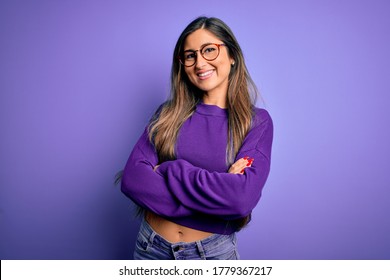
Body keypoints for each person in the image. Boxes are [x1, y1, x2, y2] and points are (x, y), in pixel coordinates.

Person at [120, 16, 273, 260]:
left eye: (209, 50)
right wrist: (219, 189)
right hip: (151, 249)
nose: (200, 62)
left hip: (211, 255)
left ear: (232, 56)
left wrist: (169, 170)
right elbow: (132, 181)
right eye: (190, 55)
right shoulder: (167, 115)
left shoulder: (255, 122)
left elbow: (240, 200)